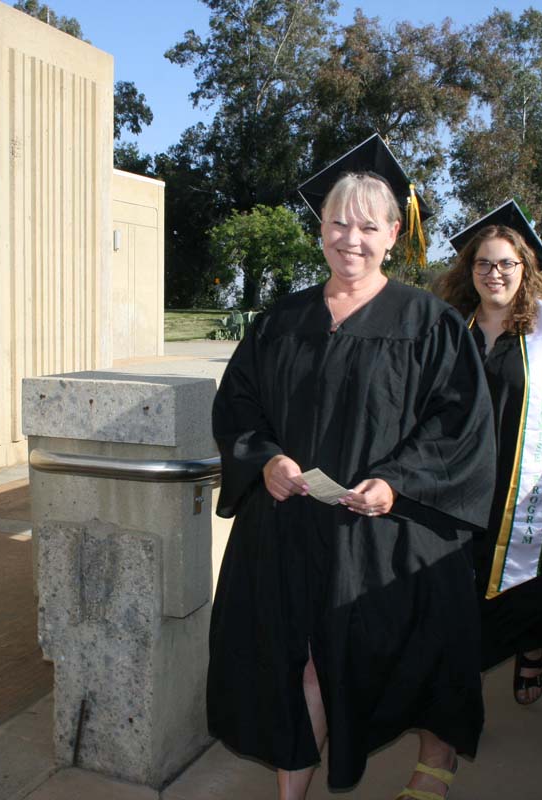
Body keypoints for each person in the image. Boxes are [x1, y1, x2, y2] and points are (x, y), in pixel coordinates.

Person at [209, 139, 497, 800]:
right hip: (289, 533)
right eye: (339, 222)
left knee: (406, 661)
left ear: (395, 235)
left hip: (383, 539)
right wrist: (265, 459)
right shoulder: (281, 321)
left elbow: (459, 424)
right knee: (298, 666)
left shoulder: (430, 325)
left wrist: (397, 483)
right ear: (320, 229)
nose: (352, 239)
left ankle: (435, 759)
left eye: (369, 226)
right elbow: (240, 406)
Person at [432, 201, 542, 706]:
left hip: (533, 483)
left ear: (524, 269)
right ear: (469, 270)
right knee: (463, 587)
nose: (495, 274)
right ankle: (462, 682)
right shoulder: (450, 329)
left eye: (506, 264)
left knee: (530, 583)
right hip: (464, 485)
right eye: (484, 263)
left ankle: (529, 647)